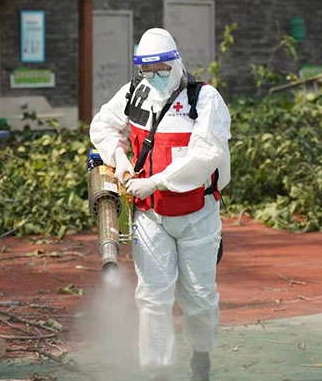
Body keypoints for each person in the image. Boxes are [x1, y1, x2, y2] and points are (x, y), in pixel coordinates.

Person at [89, 28, 231, 381]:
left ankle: (201, 355)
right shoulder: (135, 94)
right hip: (150, 215)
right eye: (147, 71)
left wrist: (156, 180)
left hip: (197, 213)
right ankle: (157, 371)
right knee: (152, 298)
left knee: (199, 299)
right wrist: (119, 157)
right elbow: (103, 126)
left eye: (162, 69)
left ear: (177, 63)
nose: (155, 77)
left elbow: (205, 156)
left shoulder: (204, 100)